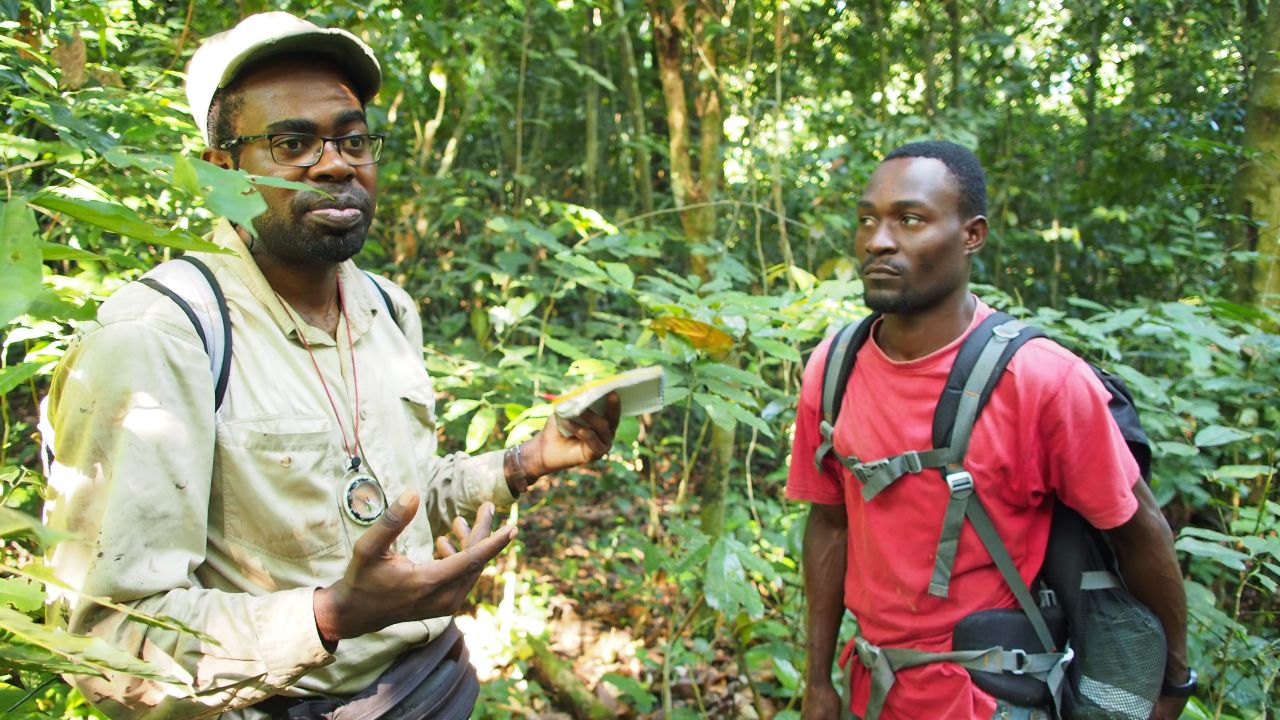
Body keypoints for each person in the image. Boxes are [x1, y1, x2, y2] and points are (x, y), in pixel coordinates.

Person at [41, 12, 618, 719]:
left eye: (351, 138)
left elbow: (395, 498)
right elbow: (106, 640)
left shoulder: (386, 306)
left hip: (434, 686)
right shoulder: (159, 337)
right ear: (223, 168)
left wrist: (523, 462)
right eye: (292, 143)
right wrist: (327, 617)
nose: (337, 163)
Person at [786, 141, 1192, 720]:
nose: (877, 240)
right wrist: (818, 681)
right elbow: (828, 523)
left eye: (909, 219)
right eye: (866, 220)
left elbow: (1139, 532)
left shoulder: (1043, 381)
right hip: (870, 692)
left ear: (971, 234)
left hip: (994, 701)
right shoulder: (834, 366)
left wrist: (1172, 683)